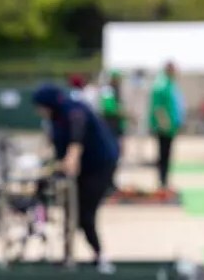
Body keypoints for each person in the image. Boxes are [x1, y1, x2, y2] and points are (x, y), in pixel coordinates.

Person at [33, 83, 118, 274]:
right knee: (70, 211)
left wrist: (72, 156)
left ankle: (100, 256)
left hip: (99, 166)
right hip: (83, 168)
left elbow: (76, 136)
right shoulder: (55, 118)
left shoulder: (73, 110)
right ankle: (67, 254)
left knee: (84, 214)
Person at [149, 61, 184, 191]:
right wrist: (165, 125)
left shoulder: (169, 84)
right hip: (165, 127)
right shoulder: (162, 85)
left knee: (167, 155)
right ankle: (162, 182)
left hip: (170, 127)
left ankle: (164, 181)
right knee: (163, 155)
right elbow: (158, 109)